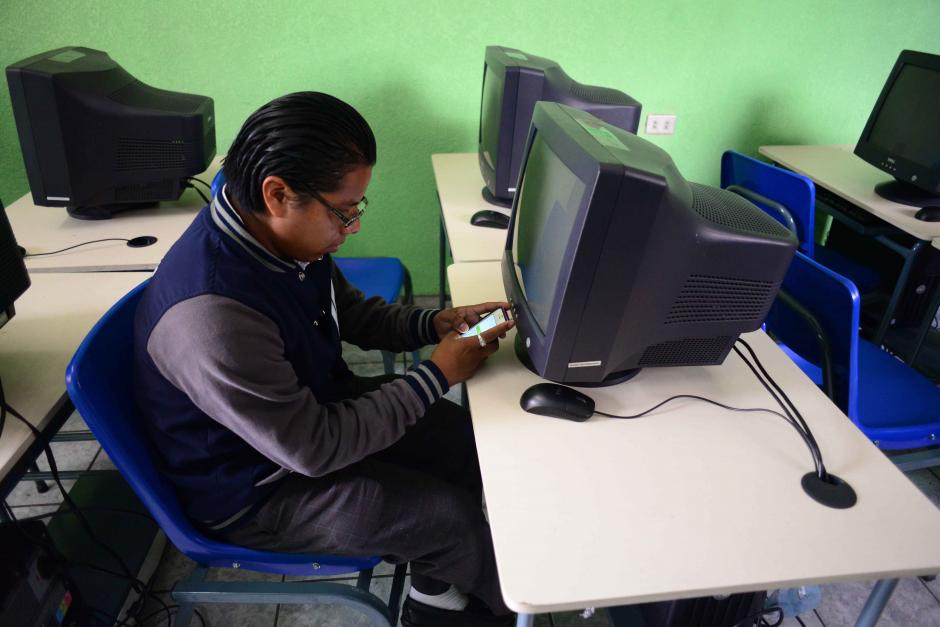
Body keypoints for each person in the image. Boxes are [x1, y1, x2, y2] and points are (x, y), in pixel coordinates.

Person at [133, 91, 516, 626]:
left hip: (306, 414)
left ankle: (436, 588)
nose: (352, 226)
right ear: (277, 193)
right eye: (344, 210)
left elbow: (348, 312)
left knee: (467, 444)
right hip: (260, 490)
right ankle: (494, 609)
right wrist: (437, 374)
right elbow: (313, 449)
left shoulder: (277, 238)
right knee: (446, 519)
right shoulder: (210, 320)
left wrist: (433, 323)